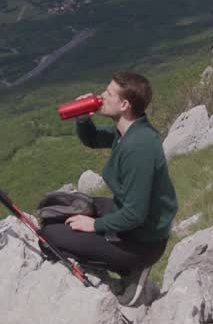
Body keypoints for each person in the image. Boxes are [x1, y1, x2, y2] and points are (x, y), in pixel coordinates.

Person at [40, 71, 177, 307]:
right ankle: (111, 247)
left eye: (109, 93)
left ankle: (130, 268)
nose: (102, 95)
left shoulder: (139, 148)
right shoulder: (128, 133)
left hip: (143, 242)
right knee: (63, 208)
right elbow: (92, 139)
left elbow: (134, 214)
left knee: (50, 236)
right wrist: (82, 117)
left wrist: (95, 225)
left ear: (124, 105)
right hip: (136, 221)